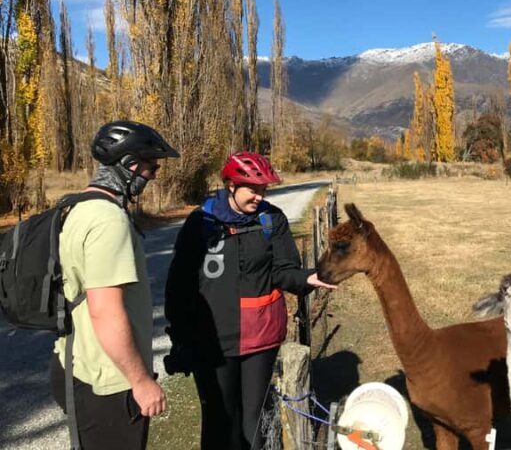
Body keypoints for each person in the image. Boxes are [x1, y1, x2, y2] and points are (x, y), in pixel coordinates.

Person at [164, 151, 335, 450]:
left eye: (264, 190)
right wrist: (180, 338)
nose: (259, 196)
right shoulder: (200, 223)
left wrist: (306, 278)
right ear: (231, 185)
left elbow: (283, 271)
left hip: (261, 338)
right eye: (252, 190)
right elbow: (179, 285)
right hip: (213, 341)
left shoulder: (272, 220)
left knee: (254, 422)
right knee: (219, 420)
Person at [50, 120, 180, 449]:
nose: (152, 175)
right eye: (151, 166)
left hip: (75, 363)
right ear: (129, 165)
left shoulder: (75, 207)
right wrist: (140, 381)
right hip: (109, 383)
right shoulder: (108, 220)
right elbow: (105, 311)